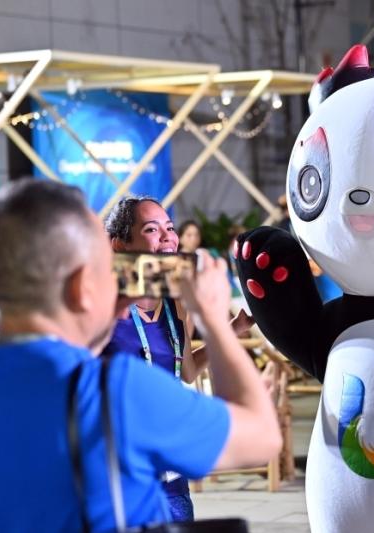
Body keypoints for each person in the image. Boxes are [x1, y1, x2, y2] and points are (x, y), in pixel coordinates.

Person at [0, 180, 280, 532]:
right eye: (106, 265)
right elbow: (261, 437)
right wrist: (213, 319)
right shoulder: (115, 393)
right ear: (81, 286)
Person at [103, 196, 250, 521]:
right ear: (119, 244)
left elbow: (187, 371)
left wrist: (231, 329)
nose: (169, 237)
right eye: (152, 229)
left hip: (169, 468)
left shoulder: (174, 306)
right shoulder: (100, 307)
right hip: (118, 468)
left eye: (170, 228)